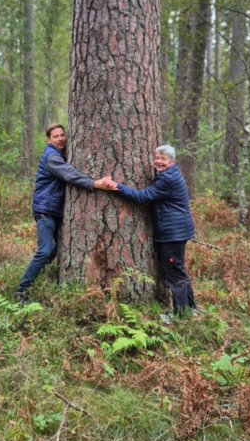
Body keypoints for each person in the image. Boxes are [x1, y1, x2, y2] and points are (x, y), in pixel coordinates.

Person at [15, 124, 116, 303]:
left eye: (63, 135)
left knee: (61, 245)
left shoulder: (61, 154)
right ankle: (22, 291)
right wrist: (96, 184)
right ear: (49, 140)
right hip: (45, 211)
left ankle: (44, 276)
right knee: (45, 250)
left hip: (55, 211)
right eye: (56, 136)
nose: (61, 138)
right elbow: (70, 175)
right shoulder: (52, 157)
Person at [110, 144, 197, 321]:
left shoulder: (167, 179)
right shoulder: (168, 174)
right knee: (178, 270)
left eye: (163, 159)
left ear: (172, 161)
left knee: (174, 272)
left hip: (173, 232)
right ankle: (190, 309)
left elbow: (141, 197)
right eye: (157, 158)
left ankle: (180, 314)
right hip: (176, 230)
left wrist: (116, 186)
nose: (158, 161)